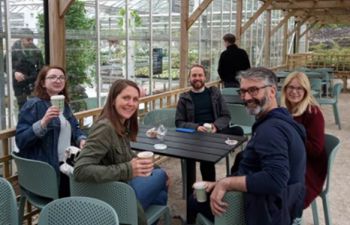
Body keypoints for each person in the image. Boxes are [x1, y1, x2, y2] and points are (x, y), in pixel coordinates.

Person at [188, 67, 306, 225]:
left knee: (194, 199)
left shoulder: (270, 131)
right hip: (284, 205)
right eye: (243, 92)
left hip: (262, 211)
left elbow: (275, 179)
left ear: (272, 91)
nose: (247, 97)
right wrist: (219, 183)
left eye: (253, 90)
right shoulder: (282, 119)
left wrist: (226, 183)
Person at [74, 79, 169, 225]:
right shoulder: (105, 128)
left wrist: (146, 165)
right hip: (113, 197)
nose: (131, 103)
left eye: (135, 99)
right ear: (113, 100)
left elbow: (125, 155)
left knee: (161, 194)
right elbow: (80, 170)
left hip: (120, 188)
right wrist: (128, 169)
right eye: (126, 98)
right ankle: (129, 218)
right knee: (161, 176)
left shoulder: (120, 124)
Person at [175, 64, 243, 208]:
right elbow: (179, 122)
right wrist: (196, 127)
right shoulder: (184, 98)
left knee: (238, 131)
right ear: (189, 78)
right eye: (194, 75)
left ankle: (212, 188)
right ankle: (204, 193)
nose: (197, 78)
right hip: (195, 137)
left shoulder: (215, 93)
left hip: (215, 132)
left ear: (205, 77)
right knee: (206, 155)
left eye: (200, 75)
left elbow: (226, 116)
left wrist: (215, 126)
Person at [15, 65, 87, 198]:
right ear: (43, 83)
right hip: (49, 169)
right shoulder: (34, 105)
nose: (58, 80)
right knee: (80, 190)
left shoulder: (63, 104)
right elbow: (21, 140)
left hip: (67, 162)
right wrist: (43, 122)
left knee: (92, 180)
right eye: (52, 77)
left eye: (61, 77)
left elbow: (74, 127)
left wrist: (81, 139)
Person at [281, 71, 327, 208]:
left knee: (277, 189)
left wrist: (291, 139)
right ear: (285, 89)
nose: (294, 92)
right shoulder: (283, 111)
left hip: (308, 168)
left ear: (306, 91)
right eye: (291, 87)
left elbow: (316, 150)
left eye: (299, 88)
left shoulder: (314, 113)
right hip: (287, 159)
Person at [11, 28, 44, 109]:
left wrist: (39, 82)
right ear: (21, 39)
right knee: (22, 106)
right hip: (19, 84)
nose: (31, 42)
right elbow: (5, 65)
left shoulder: (36, 51)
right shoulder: (13, 50)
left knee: (35, 105)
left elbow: (41, 68)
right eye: (28, 39)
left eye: (32, 39)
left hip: (33, 83)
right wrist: (14, 73)